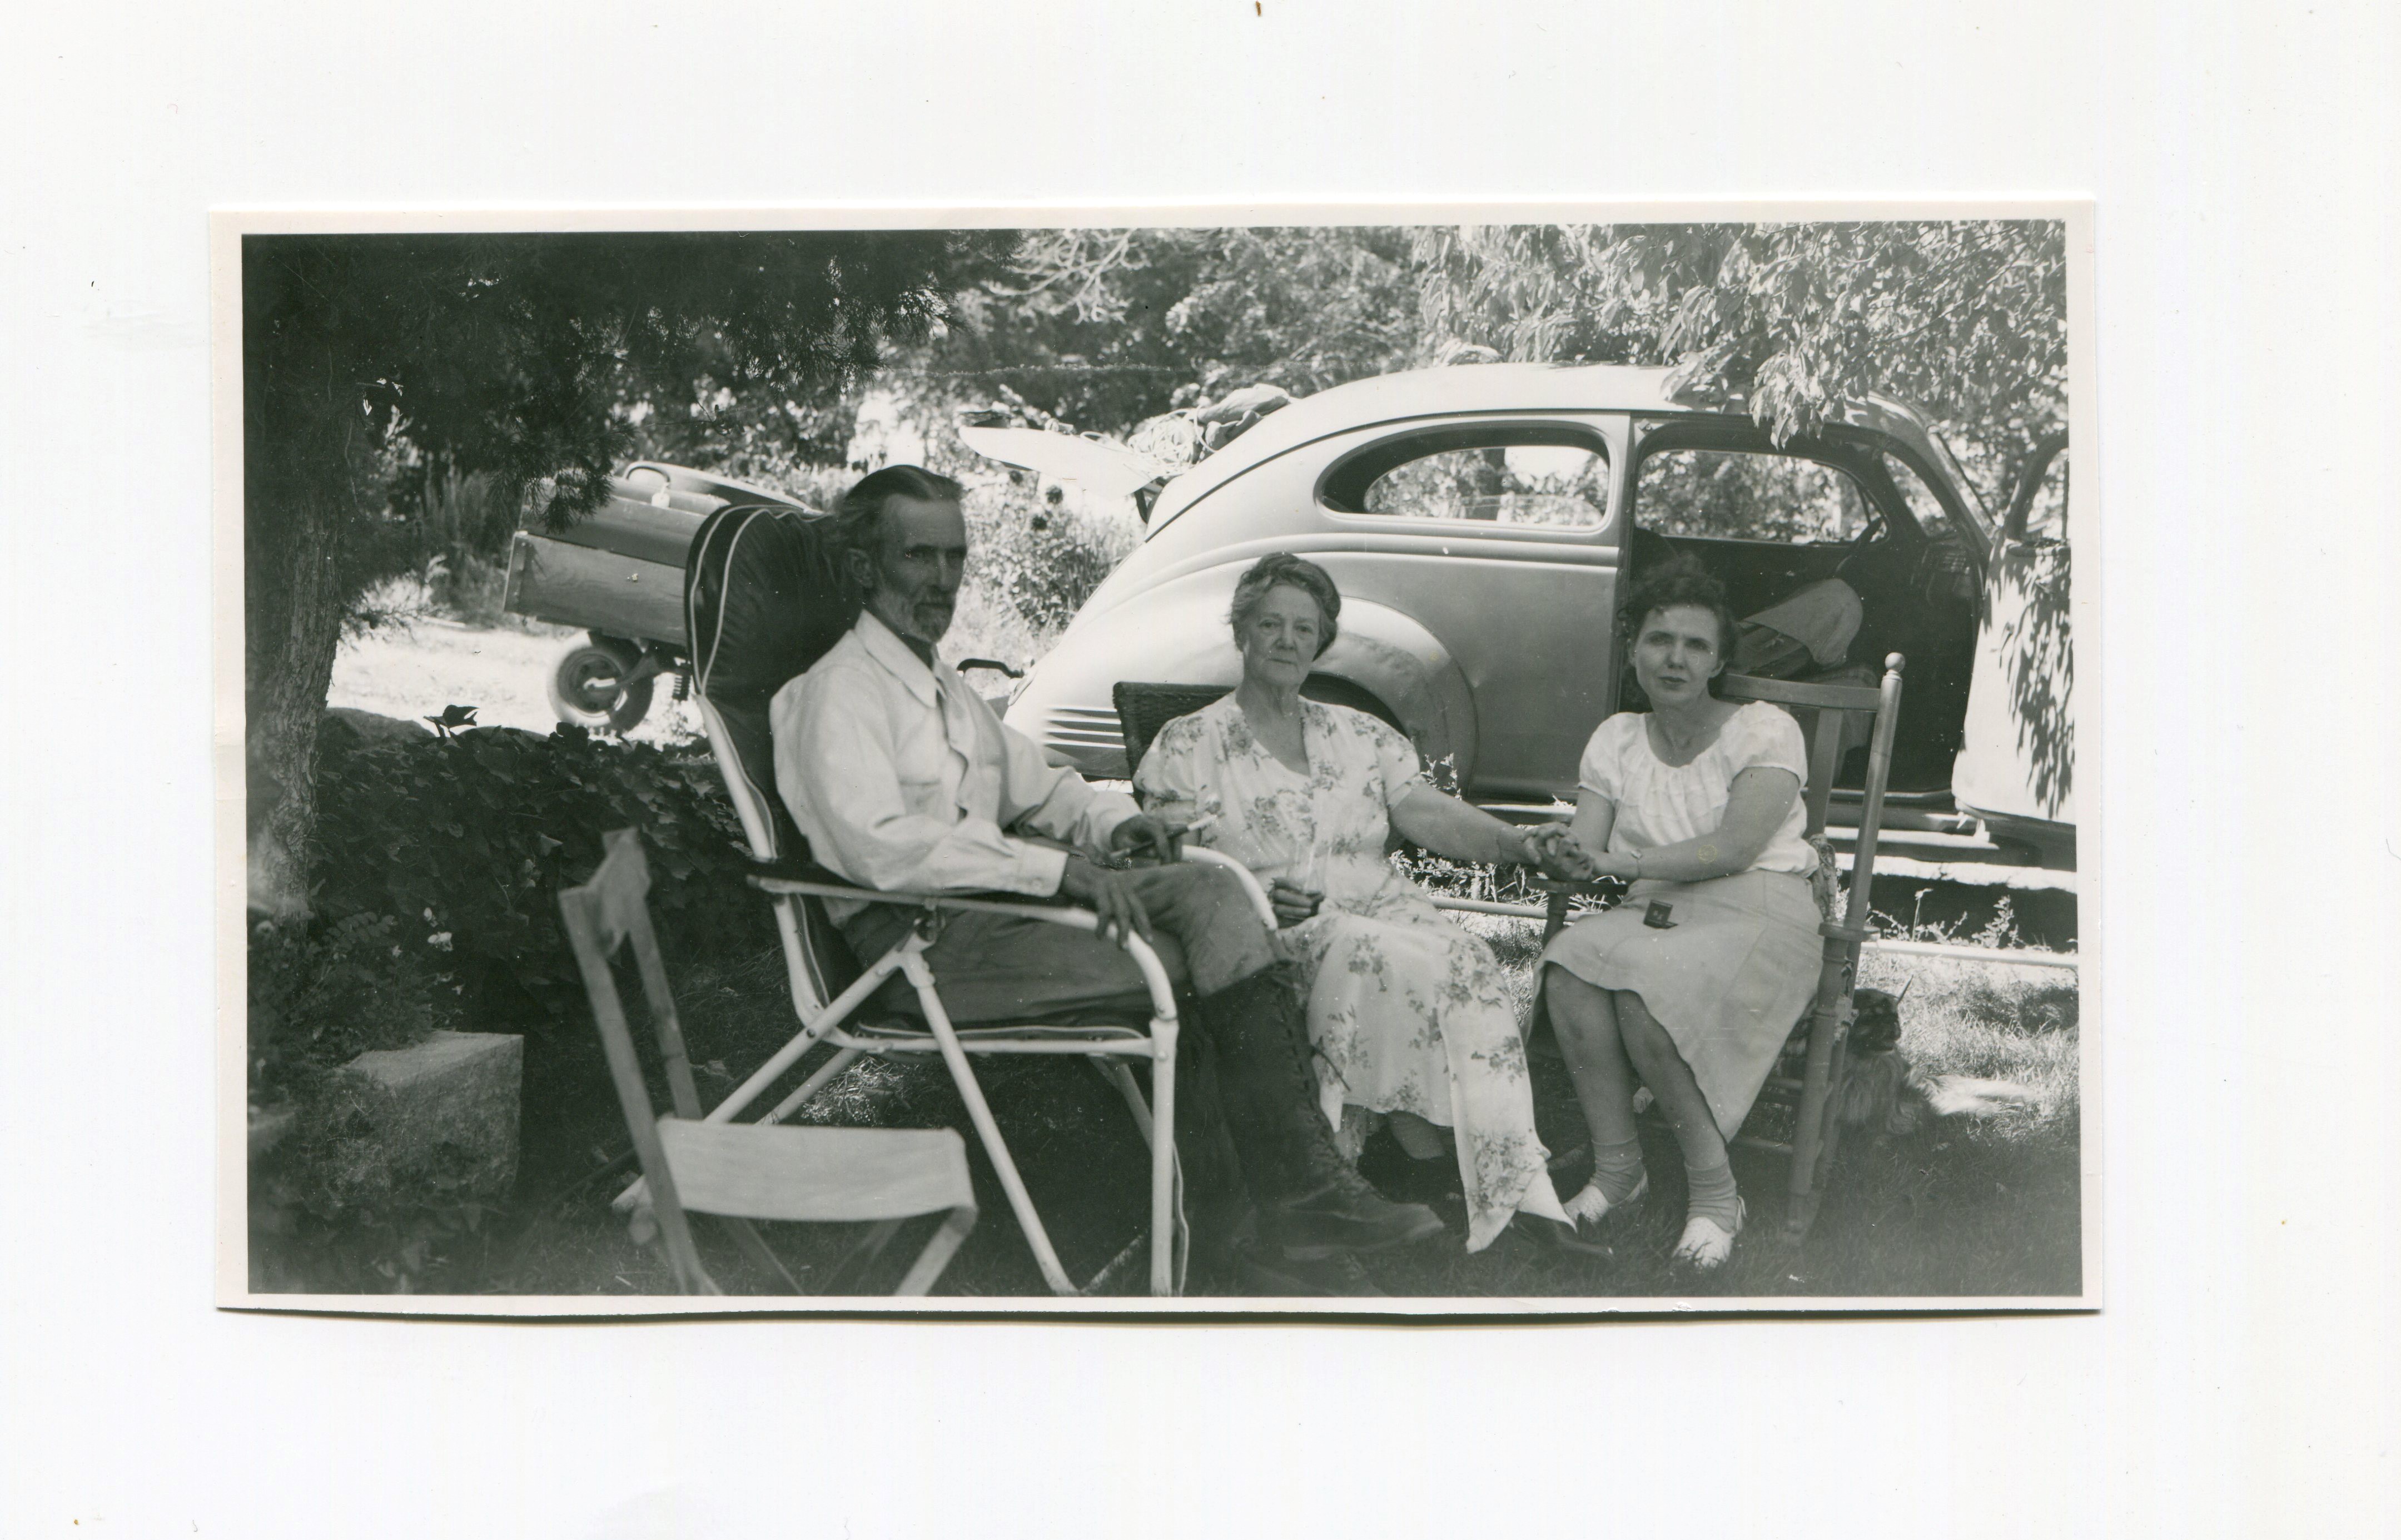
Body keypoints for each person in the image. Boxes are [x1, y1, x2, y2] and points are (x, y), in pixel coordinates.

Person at [772, 466, 1444, 1290]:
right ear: (862, 564)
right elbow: (879, 849)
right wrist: (1054, 869)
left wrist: (1112, 825)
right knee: (1193, 963)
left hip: (999, 907)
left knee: (1215, 893)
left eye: (954, 557)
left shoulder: (936, 683)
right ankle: (1271, 1221)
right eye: (918, 556)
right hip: (923, 942)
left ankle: (1295, 1201)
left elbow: (1040, 782)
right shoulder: (839, 693)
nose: (942, 580)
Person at [1134, 553, 1584, 1253]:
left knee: (1465, 954)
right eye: (1270, 624)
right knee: (1371, 953)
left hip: (1382, 905)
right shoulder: (1188, 743)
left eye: (1303, 628)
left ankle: (1516, 1189)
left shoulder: (1361, 734)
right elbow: (1169, 856)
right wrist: (1245, 893)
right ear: (1241, 631)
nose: (1287, 640)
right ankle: (1364, 1174)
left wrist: (1522, 845)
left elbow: (1431, 815)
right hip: (1264, 926)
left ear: (1321, 641)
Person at [1540, 555, 1823, 1272]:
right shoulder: (1615, 739)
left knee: (1645, 989)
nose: (1675, 658)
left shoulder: (1764, 729)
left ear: (1719, 659)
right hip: (1659, 910)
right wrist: (1557, 853)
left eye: (1696, 645)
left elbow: (1732, 848)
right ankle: (1617, 1172)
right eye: (1659, 639)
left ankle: (1714, 1193)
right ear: (1632, 648)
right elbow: (1588, 847)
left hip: (1760, 906)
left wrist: (1615, 867)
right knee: (1568, 968)